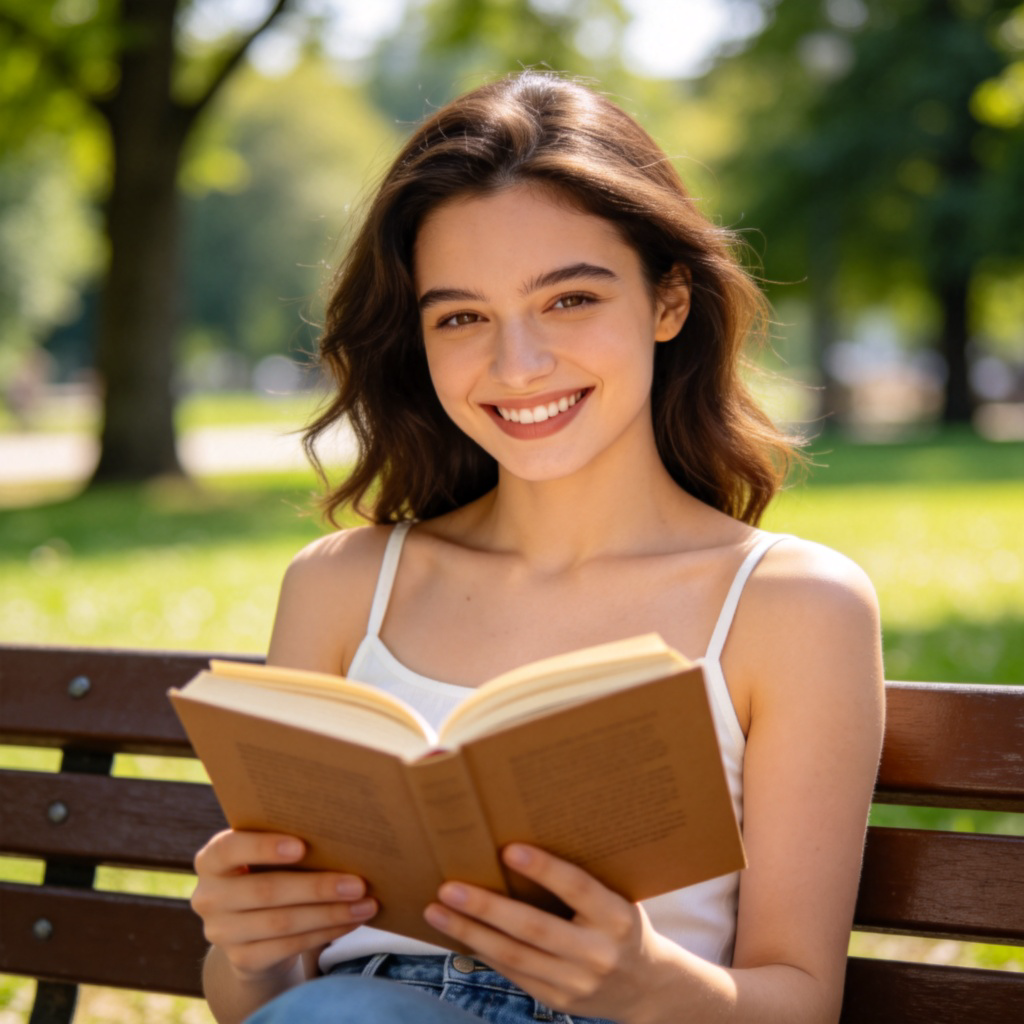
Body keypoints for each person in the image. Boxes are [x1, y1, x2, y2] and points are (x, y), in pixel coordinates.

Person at [191, 71, 885, 1024]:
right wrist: (252, 948)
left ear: (669, 301)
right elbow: (248, 1003)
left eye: (569, 301)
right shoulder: (342, 588)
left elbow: (798, 1001)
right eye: (463, 317)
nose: (517, 367)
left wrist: (644, 980)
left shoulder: (792, 607)